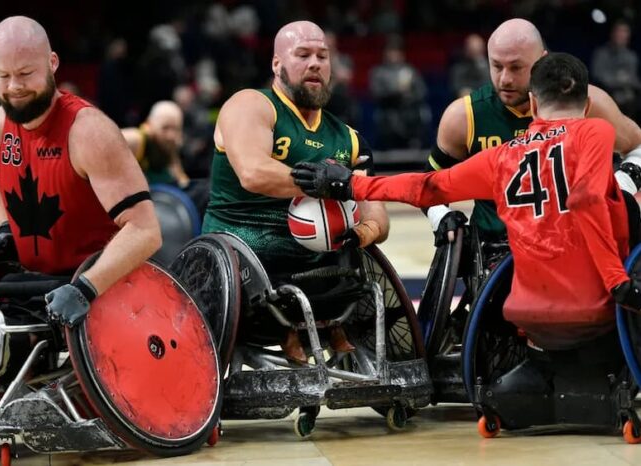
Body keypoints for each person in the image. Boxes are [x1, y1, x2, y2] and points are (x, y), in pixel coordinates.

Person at [293, 52, 640, 351]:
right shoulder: (597, 131)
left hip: (523, 308)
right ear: (589, 106)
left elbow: (426, 187)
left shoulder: (500, 157)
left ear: (532, 103)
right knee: (627, 197)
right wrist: (617, 281)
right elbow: (588, 199)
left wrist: (349, 184)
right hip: (600, 301)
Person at [203, 20, 389, 361]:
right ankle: (293, 331)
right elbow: (253, 173)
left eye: (323, 55)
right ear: (277, 64)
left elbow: (377, 214)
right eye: (302, 54)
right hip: (245, 248)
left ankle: (331, 326)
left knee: (352, 257)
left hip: (318, 259)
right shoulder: (250, 105)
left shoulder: (348, 138)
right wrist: (325, 184)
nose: (315, 63)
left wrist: (362, 233)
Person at [0, 16, 161, 327]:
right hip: (33, 285)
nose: (14, 87)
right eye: (3, 75)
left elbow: (146, 231)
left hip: (102, 286)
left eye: (25, 73)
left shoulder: (90, 132)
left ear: (52, 63)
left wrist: (84, 289)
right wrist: (4, 227)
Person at [425, 18, 641, 249]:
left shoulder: (585, 102)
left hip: (575, 246)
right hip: (494, 250)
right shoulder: (464, 116)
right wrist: (441, 217)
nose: (505, 79)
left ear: (542, 61)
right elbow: (429, 183)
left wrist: (623, 186)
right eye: (496, 66)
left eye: (516, 67)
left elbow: (637, 147)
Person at [122, 100, 209, 217]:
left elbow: (182, 181)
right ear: (149, 124)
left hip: (164, 208)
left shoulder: (170, 147)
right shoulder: (136, 138)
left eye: (176, 129)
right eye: (165, 128)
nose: (170, 135)